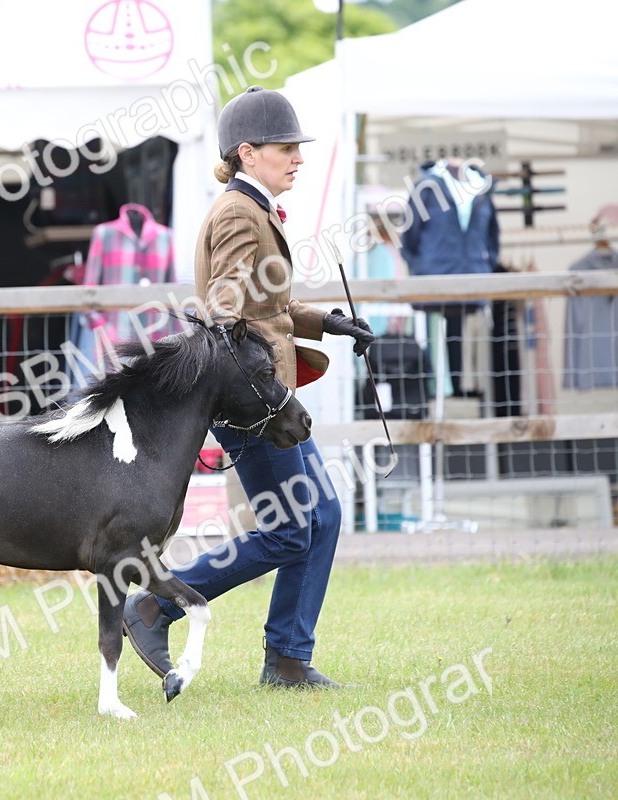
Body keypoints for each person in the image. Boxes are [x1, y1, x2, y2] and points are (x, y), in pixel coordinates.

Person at [122, 86, 374, 689]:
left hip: (267, 398)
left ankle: (288, 656)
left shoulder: (253, 208)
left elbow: (272, 304)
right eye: (286, 147)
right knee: (290, 529)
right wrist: (251, 377)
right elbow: (228, 310)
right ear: (248, 151)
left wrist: (329, 323)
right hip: (255, 407)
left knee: (326, 515)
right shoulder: (237, 213)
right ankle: (157, 604)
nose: (298, 158)